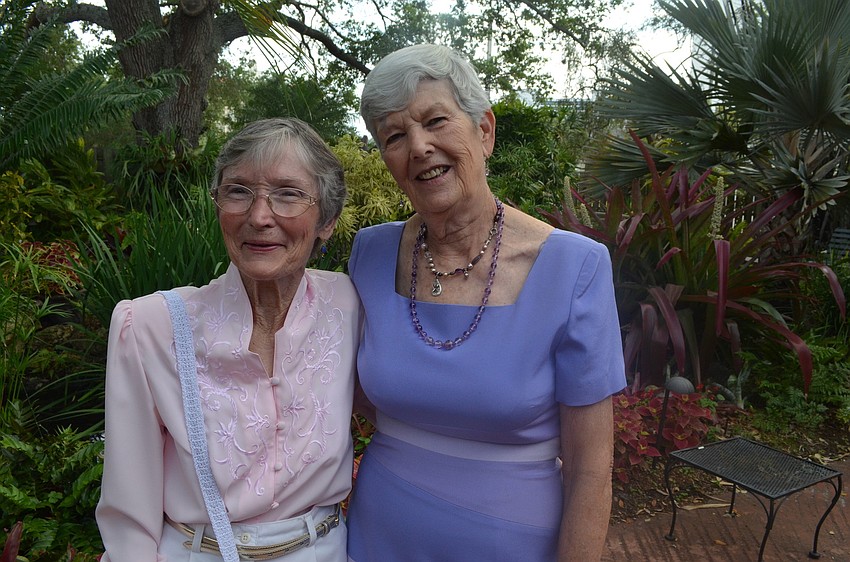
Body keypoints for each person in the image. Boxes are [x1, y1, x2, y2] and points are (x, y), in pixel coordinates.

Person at [346, 44, 626, 561]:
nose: (419, 147)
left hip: (510, 543)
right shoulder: (370, 253)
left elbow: (590, 468)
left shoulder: (574, 267)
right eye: (394, 136)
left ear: (485, 131)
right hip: (378, 534)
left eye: (436, 121)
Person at [96, 117, 359, 561]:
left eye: (288, 194)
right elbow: (129, 516)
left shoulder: (349, 305)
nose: (259, 217)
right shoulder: (150, 326)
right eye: (238, 191)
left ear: (327, 220)